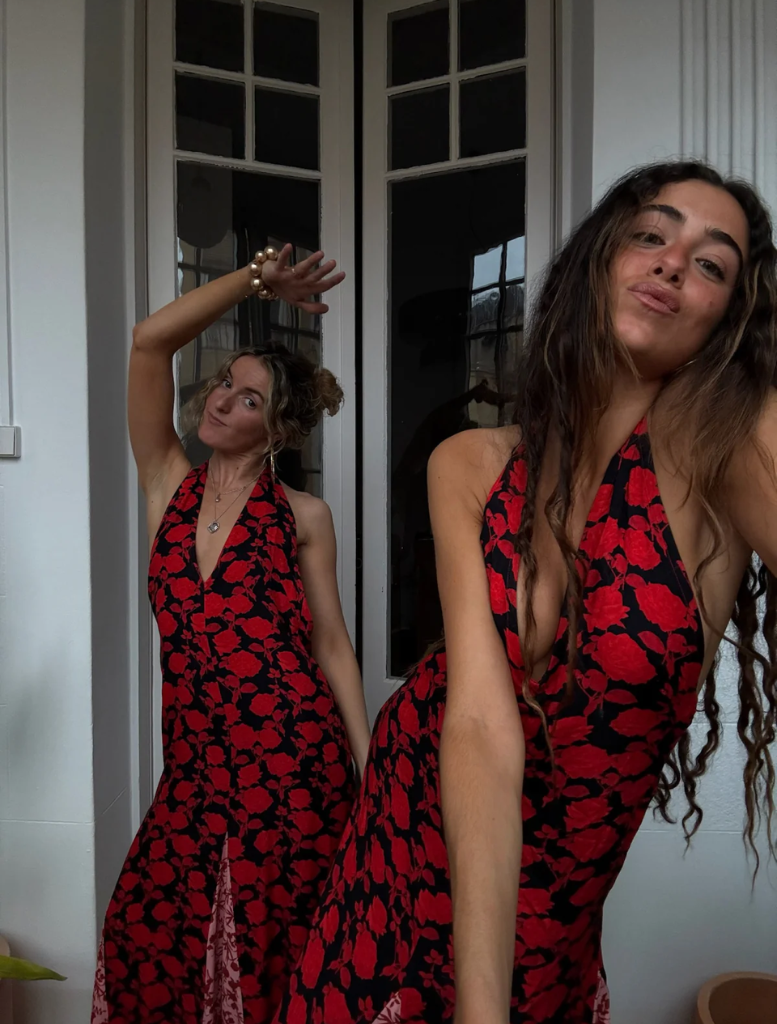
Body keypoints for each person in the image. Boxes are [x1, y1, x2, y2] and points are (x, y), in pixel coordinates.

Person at [272, 162, 777, 1024]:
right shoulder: (468, 463)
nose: (671, 264)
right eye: (650, 236)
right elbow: (478, 722)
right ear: (597, 260)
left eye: (710, 265)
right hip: (394, 869)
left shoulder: (722, 463)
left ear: (728, 321)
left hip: (547, 930)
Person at [92, 245, 371, 1024]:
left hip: (294, 768)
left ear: (278, 427)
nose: (221, 402)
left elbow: (331, 647)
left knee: (274, 956)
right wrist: (256, 282)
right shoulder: (166, 486)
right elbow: (149, 341)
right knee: (143, 935)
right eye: (224, 383)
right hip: (195, 768)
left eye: (248, 399)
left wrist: (366, 766)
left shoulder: (304, 518)